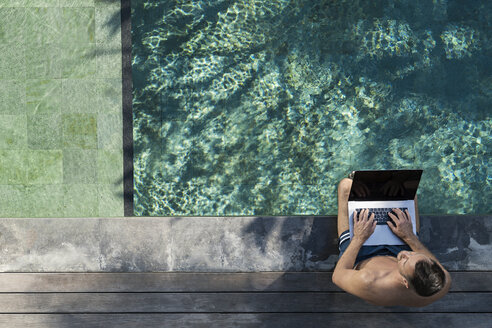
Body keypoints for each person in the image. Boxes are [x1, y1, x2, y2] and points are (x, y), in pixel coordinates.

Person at [332, 177, 452, 307]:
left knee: (346, 186)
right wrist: (408, 236)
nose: (406, 253)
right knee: (407, 188)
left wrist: (359, 238)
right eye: (413, 254)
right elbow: (417, 259)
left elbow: (338, 275)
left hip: (362, 253)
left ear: (405, 282)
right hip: (400, 243)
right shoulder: (441, 282)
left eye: (405, 260)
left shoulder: (370, 282)